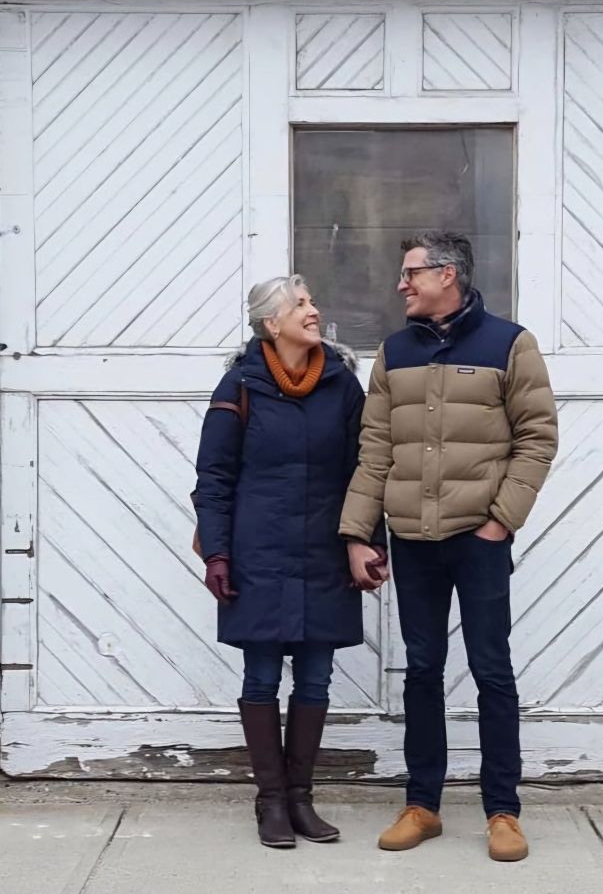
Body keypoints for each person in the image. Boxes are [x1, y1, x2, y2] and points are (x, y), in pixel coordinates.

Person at [339, 232, 558, 863]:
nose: (401, 284)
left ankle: (503, 812)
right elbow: (375, 450)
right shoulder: (394, 352)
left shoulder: (508, 344)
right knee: (423, 670)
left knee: (492, 669)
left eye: (411, 273)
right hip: (412, 540)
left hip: (478, 538)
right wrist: (359, 535)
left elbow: (537, 438)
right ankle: (422, 805)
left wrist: (500, 520)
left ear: (447, 275)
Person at [193, 275, 386, 849]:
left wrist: (368, 540)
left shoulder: (341, 384)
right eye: (299, 305)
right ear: (270, 324)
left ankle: (301, 799)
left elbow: (367, 469)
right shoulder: (240, 384)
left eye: (310, 301)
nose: (312, 310)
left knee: (318, 677)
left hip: (325, 552)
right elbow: (214, 476)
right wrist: (219, 552)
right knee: (261, 676)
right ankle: (270, 802)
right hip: (260, 555)